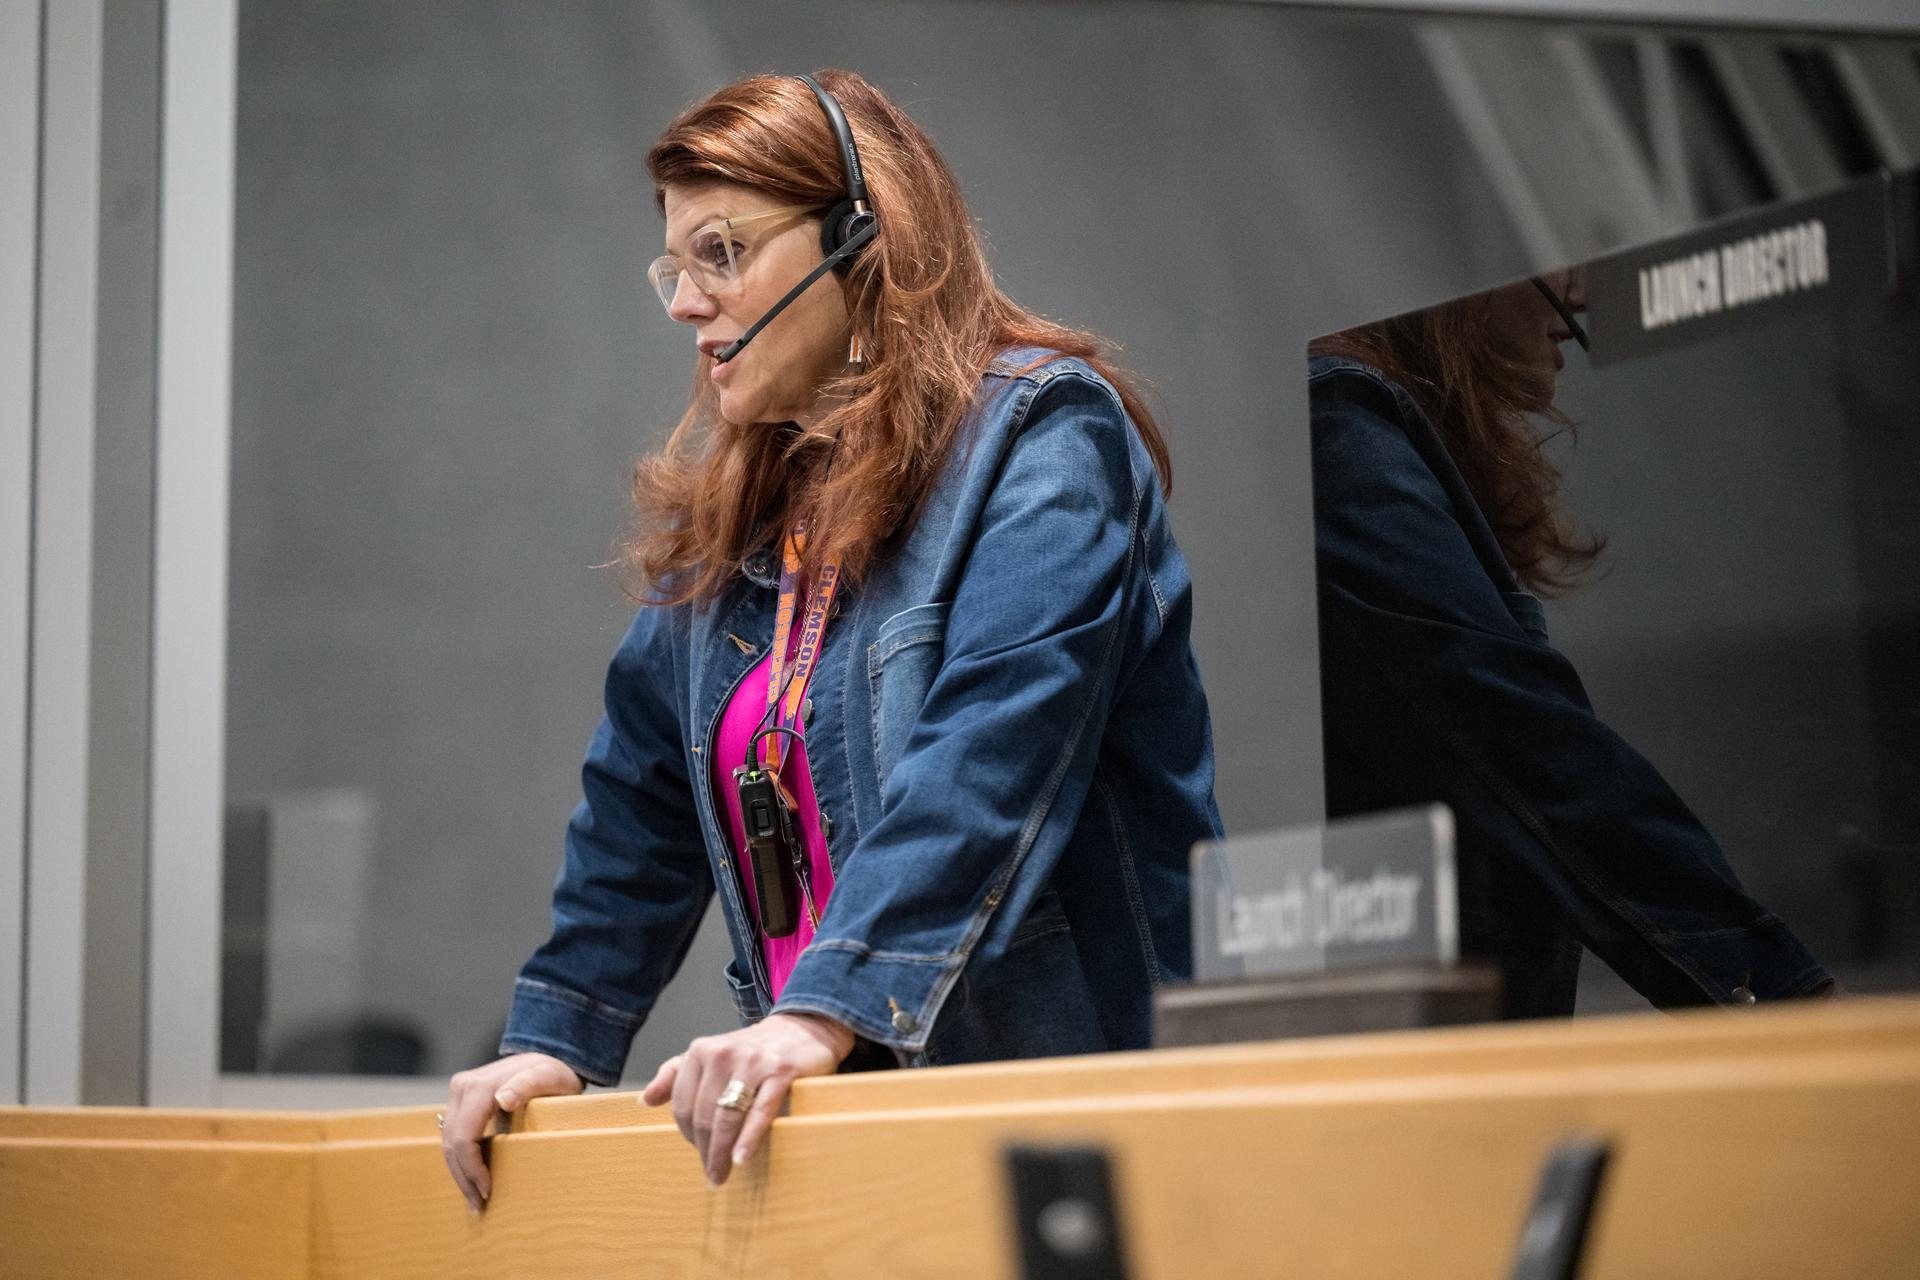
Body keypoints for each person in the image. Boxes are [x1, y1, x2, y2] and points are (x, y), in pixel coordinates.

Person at [439, 70, 1220, 1207]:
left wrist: (823, 1008)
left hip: (1069, 1134)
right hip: (846, 1133)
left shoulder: (1045, 439)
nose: (685, 302)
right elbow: (639, 799)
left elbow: (984, 763)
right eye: (674, 266)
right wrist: (556, 1035)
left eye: (722, 252)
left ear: (859, 238)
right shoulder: (749, 507)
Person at [1308, 270, 1832, 1019]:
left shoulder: (1363, 426)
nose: (1580, 296)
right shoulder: (1342, 429)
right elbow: (1521, 740)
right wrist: (1779, 992)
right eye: (1554, 268)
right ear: (1454, 278)